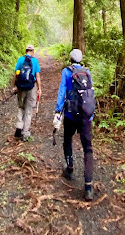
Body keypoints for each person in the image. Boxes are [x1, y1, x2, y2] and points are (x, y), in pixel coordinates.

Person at [54, 48, 94, 201]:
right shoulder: (87, 72)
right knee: (88, 149)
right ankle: (88, 187)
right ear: (81, 60)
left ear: (70, 60)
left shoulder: (66, 72)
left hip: (71, 114)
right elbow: (90, 93)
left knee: (67, 140)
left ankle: (70, 167)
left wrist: (58, 111)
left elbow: (61, 91)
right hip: (86, 116)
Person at [13, 44, 41, 141]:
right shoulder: (35, 61)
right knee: (29, 110)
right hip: (31, 87)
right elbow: (37, 76)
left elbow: (16, 74)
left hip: (21, 87)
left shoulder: (20, 60)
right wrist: (39, 88)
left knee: (21, 106)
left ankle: (19, 126)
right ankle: (25, 133)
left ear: (26, 51)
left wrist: (15, 86)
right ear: (32, 51)